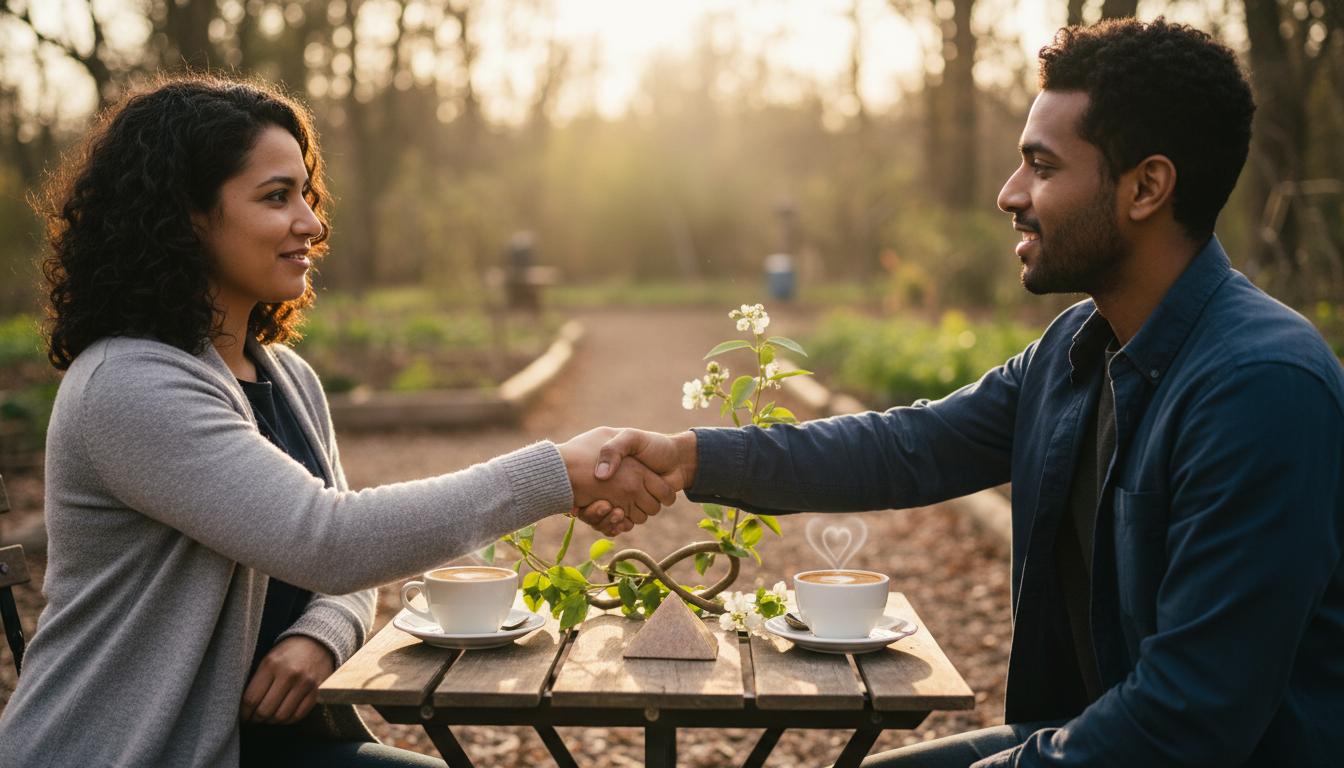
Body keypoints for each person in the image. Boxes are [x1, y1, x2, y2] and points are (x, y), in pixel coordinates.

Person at [584, 18, 1344, 767]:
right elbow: (905, 448)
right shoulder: (1076, 349)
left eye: (1042, 167)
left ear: (1146, 187)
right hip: (1081, 735)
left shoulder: (1261, 392)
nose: (1010, 193)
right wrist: (690, 459)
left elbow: (1190, 719)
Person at [0, 75, 659, 768]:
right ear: (184, 216)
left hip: (274, 748)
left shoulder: (288, 377)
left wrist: (320, 634)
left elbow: (348, 573)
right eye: (276, 197)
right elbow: (331, 539)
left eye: (305, 195)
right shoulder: (128, 385)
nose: (312, 224)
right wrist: (556, 473)